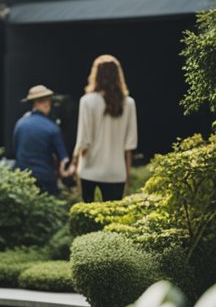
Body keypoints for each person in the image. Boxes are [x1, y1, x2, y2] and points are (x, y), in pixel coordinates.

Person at [72, 54, 137, 202]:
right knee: (114, 219)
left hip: (89, 170)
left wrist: (75, 163)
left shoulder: (87, 101)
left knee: (89, 218)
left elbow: (84, 140)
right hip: (116, 172)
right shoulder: (129, 104)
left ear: (96, 75)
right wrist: (127, 174)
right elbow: (130, 144)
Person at [11, 84, 73, 194]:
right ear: (47, 103)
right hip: (45, 180)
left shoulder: (19, 124)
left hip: (22, 178)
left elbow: (16, 149)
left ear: (33, 103)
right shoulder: (52, 128)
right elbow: (63, 159)